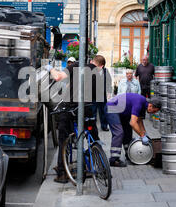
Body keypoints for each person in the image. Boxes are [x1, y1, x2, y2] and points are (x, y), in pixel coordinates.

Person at [45, 55, 108, 183]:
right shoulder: (99, 75)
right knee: (94, 137)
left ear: (91, 61)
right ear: (101, 66)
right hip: (87, 109)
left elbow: (58, 77)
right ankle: (103, 168)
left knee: (64, 138)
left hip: (70, 108)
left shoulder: (76, 65)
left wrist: (50, 68)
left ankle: (62, 173)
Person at [105, 93, 162, 167]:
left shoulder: (144, 105)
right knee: (119, 132)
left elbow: (139, 121)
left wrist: (145, 134)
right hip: (111, 107)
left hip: (122, 113)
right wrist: (142, 135)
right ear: (150, 106)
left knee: (128, 131)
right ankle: (114, 160)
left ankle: (129, 154)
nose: (153, 113)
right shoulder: (139, 102)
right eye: (154, 111)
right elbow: (133, 123)